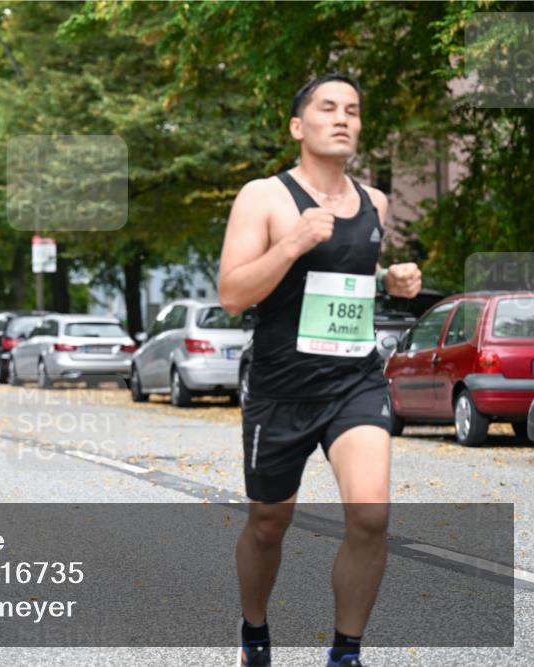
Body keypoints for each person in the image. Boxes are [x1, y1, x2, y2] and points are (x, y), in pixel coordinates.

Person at [217, 74, 422, 667]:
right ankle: (255, 633)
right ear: (297, 127)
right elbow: (232, 294)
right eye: (328, 108)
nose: (342, 118)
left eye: (352, 110)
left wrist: (391, 281)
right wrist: (291, 244)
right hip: (281, 386)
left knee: (371, 517)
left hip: (355, 380)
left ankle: (345, 653)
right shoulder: (264, 197)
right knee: (267, 523)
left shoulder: (374, 202)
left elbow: (345, 276)